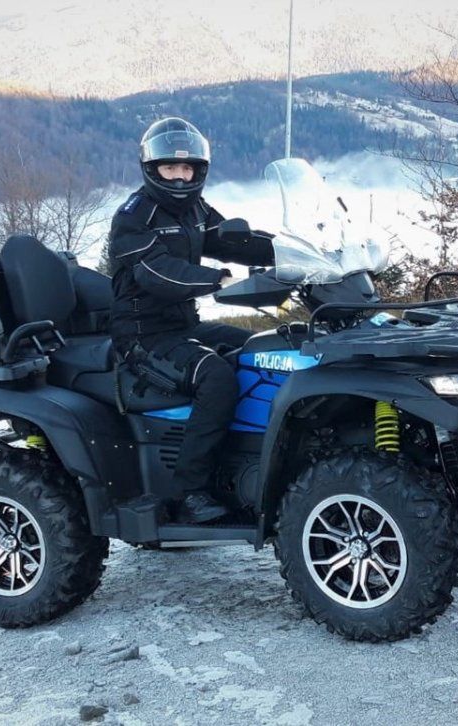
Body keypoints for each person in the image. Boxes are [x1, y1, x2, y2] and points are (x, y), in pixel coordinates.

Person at [108, 117, 275, 523]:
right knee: (216, 377)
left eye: (187, 169)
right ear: (152, 169)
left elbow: (231, 240)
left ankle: (244, 464)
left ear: (199, 170)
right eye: (171, 168)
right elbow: (157, 272)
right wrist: (215, 279)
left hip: (183, 326)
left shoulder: (195, 208)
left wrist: (286, 254)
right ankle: (191, 492)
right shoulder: (134, 216)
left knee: (261, 351)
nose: (180, 177)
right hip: (142, 335)